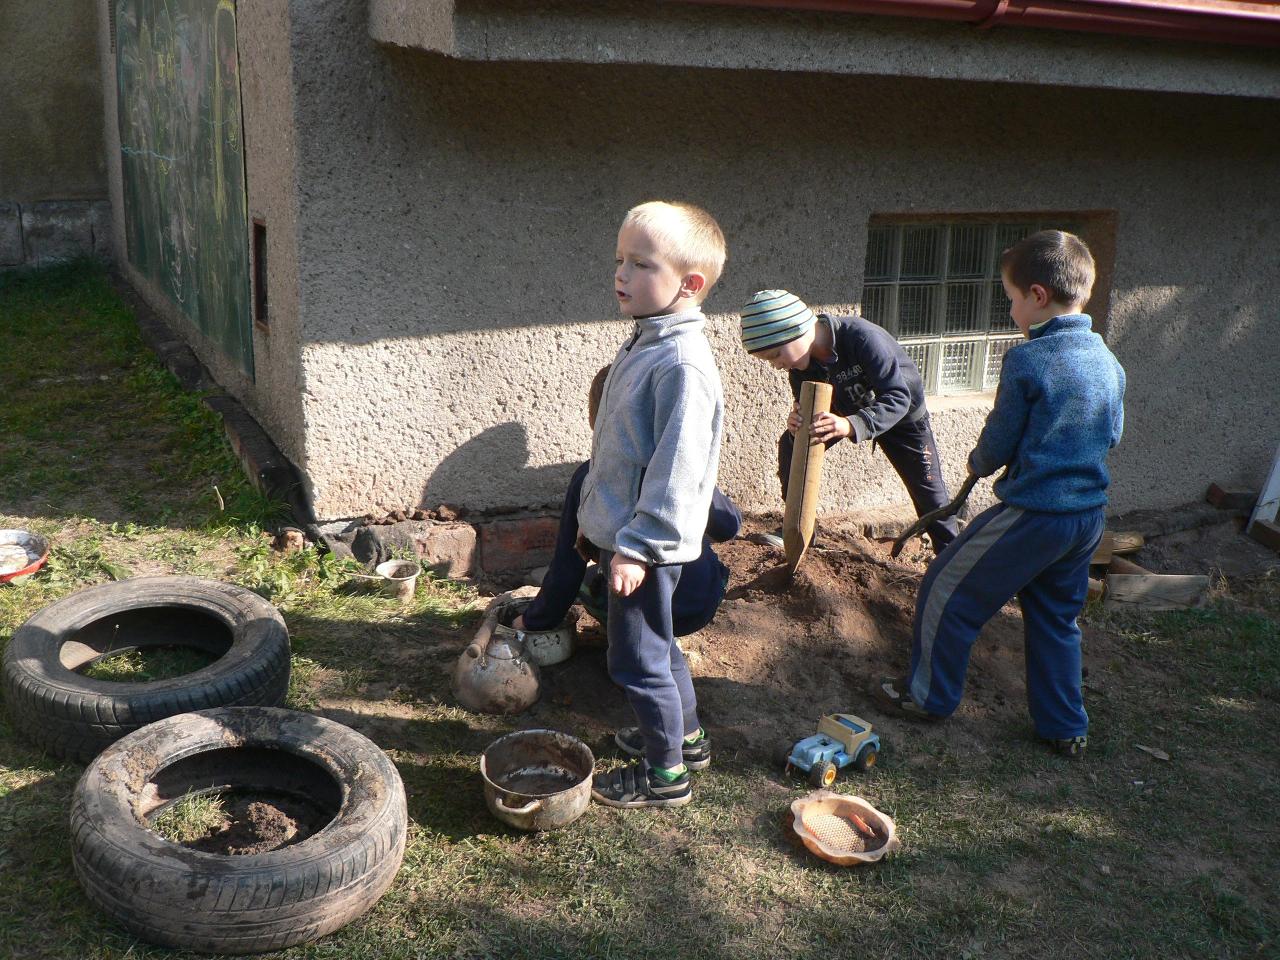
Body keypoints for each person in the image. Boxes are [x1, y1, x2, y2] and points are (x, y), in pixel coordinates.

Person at [876, 230, 1125, 759]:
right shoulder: (1108, 359)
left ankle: (927, 697)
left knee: (945, 589)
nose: (1011, 310)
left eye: (1011, 299)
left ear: (1038, 295)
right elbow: (1113, 433)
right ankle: (1065, 726)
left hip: (1037, 512)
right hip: (1087, 517)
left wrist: (979, 463)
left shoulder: (1029, 360)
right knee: (1056, 617)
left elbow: (1000, 438)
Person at [576, 200, 727, 809]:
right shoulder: (647, 341)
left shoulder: (681, 364)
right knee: (659, 648)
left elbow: (676, 474)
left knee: (638, 662)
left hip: (647, 547)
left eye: (641, 264)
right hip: (629, 536)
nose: (621, 274)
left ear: (689, 284)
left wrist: (637, 548)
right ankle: (686, 739)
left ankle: (666, 775)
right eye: (620, 260)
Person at [513, 363, 741, 644]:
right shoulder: (680, 467)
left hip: (640, 609)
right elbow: (729, 526)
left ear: (597, 421)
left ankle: (632, 641)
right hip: (699, 605)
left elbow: (567, 568)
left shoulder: (590, 478)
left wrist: (533, 620)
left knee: (588, 582)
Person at [740, 289, 958, 554]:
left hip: (902, 418)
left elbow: (899, 397)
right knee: (792, 444)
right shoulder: (800, 366)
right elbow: (805, 404)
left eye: (776, 354)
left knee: (930, 496)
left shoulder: (862, 338)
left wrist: (851, 425)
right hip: (844, 413)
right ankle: (798, 529)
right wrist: (798, 420)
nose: (777, 365)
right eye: (769, 360)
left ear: (796, 329)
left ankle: (952, 557)